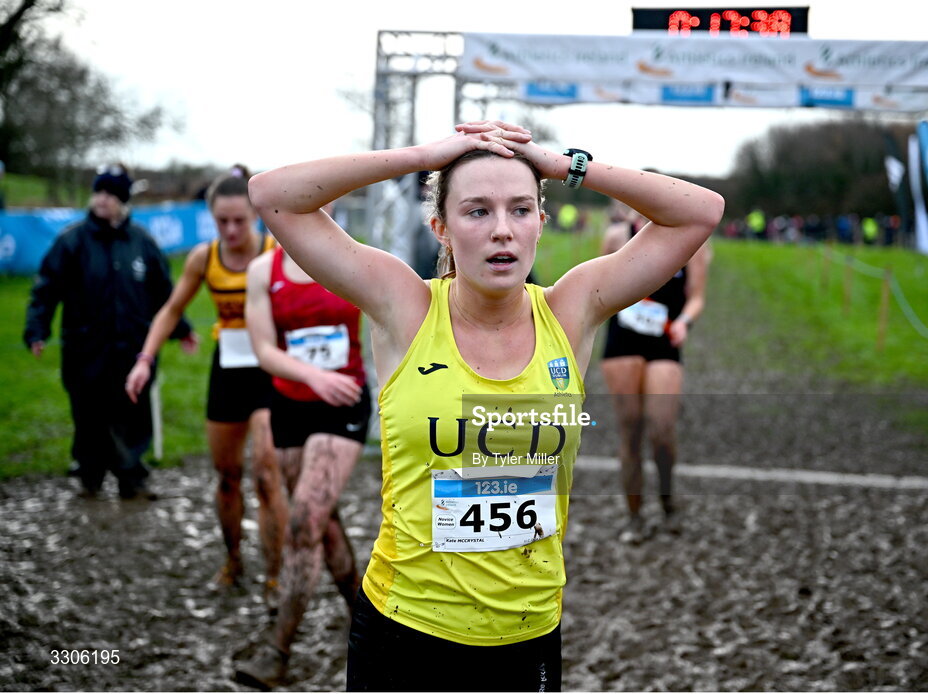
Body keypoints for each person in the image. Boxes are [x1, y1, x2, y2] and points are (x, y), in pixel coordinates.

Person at [246, 120, 724, 691]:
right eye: (477, 212)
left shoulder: (573, 308)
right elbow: (273, 198)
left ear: (541, 224)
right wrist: (424, 157)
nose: (503, 231)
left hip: (527, 632)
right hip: (406, 630)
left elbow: (701, 212)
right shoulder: (405, 304)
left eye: (521, 210)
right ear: (440, 228)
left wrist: (564, 165)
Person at [125, 166, 287, 599]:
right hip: (228, 371)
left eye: (240, 220)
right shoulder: (204, 258)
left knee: (267, 475)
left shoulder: (277, 250)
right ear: (211, 218)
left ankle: (275, 574)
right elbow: (171, 309)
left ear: (255, 215)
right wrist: (145, 358)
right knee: (227, 476)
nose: (231, 230)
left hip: (271, 370)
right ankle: (233, 561)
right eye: (222, 221)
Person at [234, 244, 369, 689]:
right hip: (291, 404)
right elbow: (263, 350)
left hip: (343, 403)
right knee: (323, 525)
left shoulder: (350, 256)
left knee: (304, 522)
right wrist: (312, 376)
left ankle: (278, 651)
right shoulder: (262, 270)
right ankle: (367, 619)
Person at [24, 164, 193, 499]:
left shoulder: (143, 243)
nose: (102, 200)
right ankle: (90, 474)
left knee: (133, 414)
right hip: (85, 349)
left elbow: (165, 294)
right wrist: (36, 329)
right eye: (99, 192)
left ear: (124, 201)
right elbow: (45, 289)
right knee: (88, 415)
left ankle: (132, 478)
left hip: (133, 350)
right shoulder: (71, 241)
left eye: (111, 194)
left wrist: (183, 329)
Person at [599, 203, 712, 543]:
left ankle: (667, 502)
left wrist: (684, 322)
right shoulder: (617, 238)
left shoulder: (693, 244)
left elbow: (697, 297)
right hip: (623, 340)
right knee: (630, 429)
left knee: (662, 430)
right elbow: (600, 287)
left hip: (665, 340)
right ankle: (634, 517)